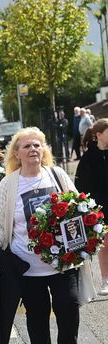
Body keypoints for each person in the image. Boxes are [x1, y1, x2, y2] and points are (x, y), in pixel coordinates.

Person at [0, 127, 83, 344]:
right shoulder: (9, 183)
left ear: (44, 150)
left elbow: (77, 210)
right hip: (26, 265)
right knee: (37, 315)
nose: (33, 150)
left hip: (62, 262)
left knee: (69, 308)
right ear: (16, 153)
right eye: (27, 146)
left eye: (37, 145)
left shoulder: (58, 175)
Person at [75, 118, 108, 295]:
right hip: (100, 207)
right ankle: (105, 280)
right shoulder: (89, 157)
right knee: (105, 245)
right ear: (99, 135)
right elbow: (81, 185)